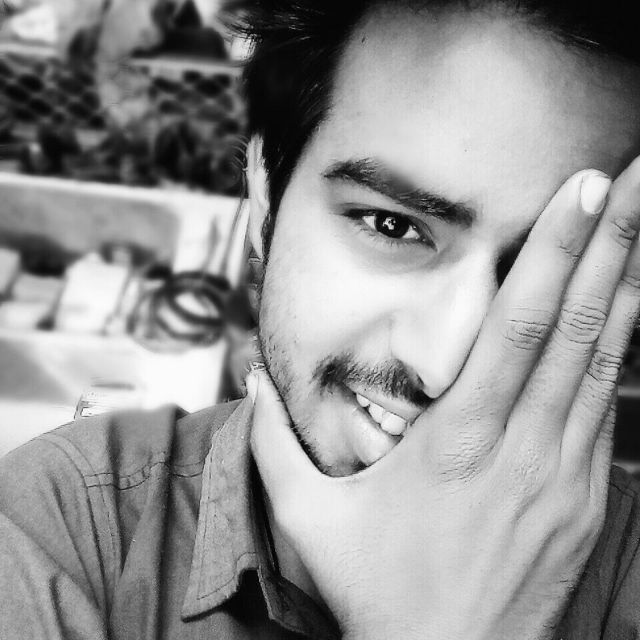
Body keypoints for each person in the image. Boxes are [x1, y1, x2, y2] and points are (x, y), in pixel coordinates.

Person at [2, 0, 640, 638]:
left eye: (544, 276)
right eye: (392, 225)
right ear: (265, 199)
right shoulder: (62, 530)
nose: (442, 366)